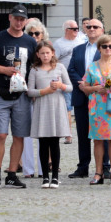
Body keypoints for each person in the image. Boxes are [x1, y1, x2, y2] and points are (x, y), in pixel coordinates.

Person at [0, 3, 35, 190]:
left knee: (19, 136)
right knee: (1, 135)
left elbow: (34, 68)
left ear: (25, 21)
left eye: (22, 19)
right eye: (16, 18)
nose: (19, 22)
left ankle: (12, 174)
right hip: (2, 92)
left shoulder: (30, 42)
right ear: (10, 18)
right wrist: (4, 69)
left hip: (22, 94)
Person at [79, 34, 111, 185]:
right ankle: (98, 172)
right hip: (97, 108)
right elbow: (85, 87)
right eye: (105, 46)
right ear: (99, 48)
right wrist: (96, 88)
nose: (108, 49)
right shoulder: (92, 66)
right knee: (98, 141)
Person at [66, 17, 111, 179]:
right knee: (83, 133)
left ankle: (105, 166)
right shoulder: (78, 49)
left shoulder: (108, 48)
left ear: (102, 30)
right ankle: (83, 166)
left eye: (95, 26)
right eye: (89, 26)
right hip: (81, 95)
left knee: (103, 133)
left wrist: (96, 87)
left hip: (101, 97)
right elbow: (70, 69)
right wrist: (82, 84)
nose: (91, 29)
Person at [26, 39, 72, 188]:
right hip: (42, 105)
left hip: (57, 104)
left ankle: (55, 177)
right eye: (42, 53)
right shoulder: (34, 70)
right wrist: (44, 91)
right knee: (43, 142)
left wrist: (61, 86)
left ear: (52, 53)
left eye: (48, 53)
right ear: (38, 55)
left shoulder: (59, 67)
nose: (45, 56)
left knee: (55, 142)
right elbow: (29, 91)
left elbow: (70, 87)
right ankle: (45, 176)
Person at [21, 19, 49, 178]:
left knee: (44, 134)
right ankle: (28, 169)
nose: (34, 36)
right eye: (30, 33)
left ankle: (44, 167)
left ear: (42, 35)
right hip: (25, 93)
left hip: (44, 95)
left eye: (37, 33)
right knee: (26, 133)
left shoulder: (48, 49)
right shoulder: (24, 49)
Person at [53, 19, 85, 144]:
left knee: (80, 105)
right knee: (67, 106)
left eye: (77, 28)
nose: (77, 31)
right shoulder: (59, 44)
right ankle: (68, 134)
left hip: (80, 77)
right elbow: (54, 61)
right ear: (67, 30)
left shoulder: (81, 41)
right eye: (75, 29)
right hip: (65, 78)